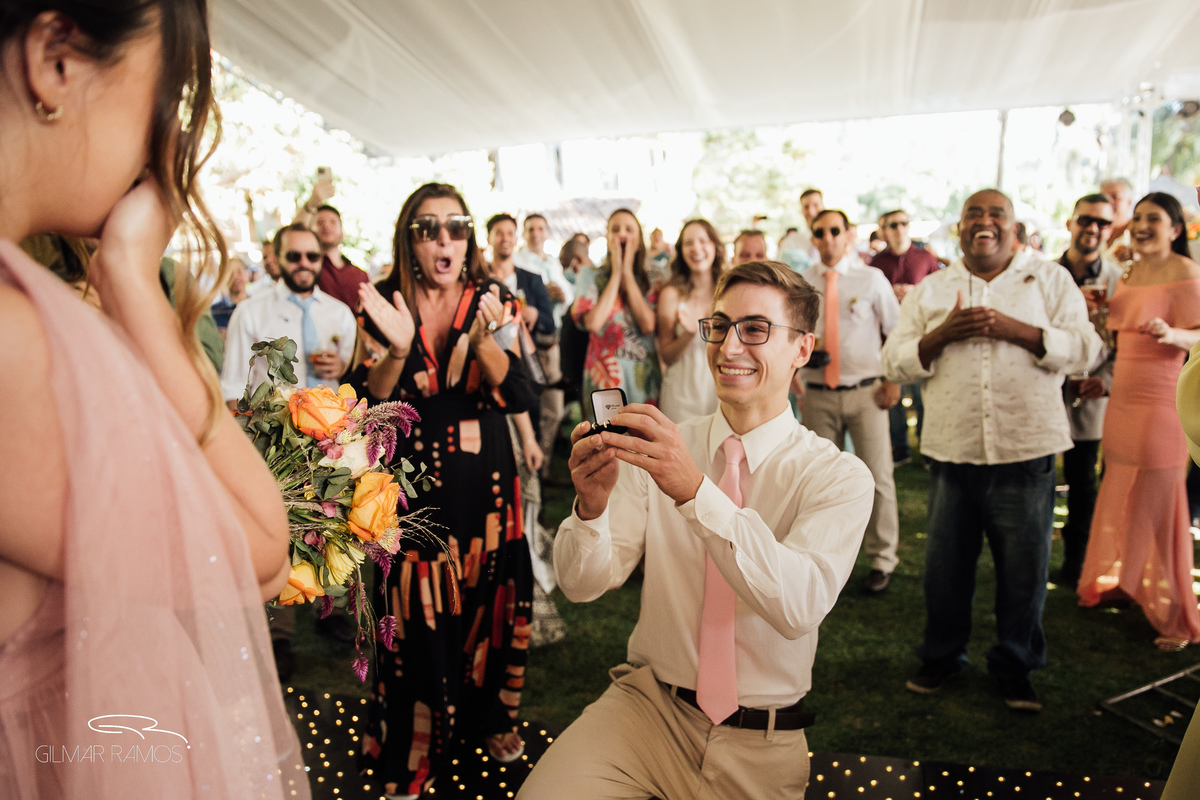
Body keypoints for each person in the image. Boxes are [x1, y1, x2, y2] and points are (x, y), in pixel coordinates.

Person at [0, 2, 307, 797]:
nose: (160, 138)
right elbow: (259, 553)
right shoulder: (11, 341)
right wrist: (132, 278)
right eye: (163, 91)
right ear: (56, 60)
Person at [518, 261, 873, 800]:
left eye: (755, 329)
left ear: (803, 349)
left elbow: (799, 605)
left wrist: (694, 491)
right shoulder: (662, 448)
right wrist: (589, 509)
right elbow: (582, 584)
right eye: (720, 325)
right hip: (647, 712)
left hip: (763, 740)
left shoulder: (838, 474)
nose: (729, 347)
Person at [882, 189, 1101, 712]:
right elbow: (893, 362)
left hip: (1026, 452)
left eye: (996, 214)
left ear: (1014, 226)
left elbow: (1089, 349)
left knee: (1024, 573)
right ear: (958, 229)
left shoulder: (1049, 280)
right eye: (974, 214)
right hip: (952, 452)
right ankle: (941, 658)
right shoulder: (934, 289)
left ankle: (1015, 666)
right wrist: (942, 335)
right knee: (945, 570)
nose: (985, 222)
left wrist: (1020, 332)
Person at [352, 183, 536, 799]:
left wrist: (485, 341)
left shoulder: (495, 301)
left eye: (455, 227)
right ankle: (414, 745)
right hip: (408, 486)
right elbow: (361, 403)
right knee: (413, 611)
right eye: (428, 228)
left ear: (469, 239)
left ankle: (491, 719)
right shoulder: (382, 301)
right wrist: (398, 350)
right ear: (410, 238)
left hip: (485, 487)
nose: (443, 239)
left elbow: (521, 396)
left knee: (488, 599)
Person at [1077, 192, 1200, 651]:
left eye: (1154, 218)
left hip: (1162, 400)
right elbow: (1117, 332)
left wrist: (1175, 334)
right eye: (1138, 218)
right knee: (1121, 488)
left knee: (1161, 502)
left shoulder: (1187, 273)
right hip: (1122, 400)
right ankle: (1124, 582)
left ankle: (1176, 615)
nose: (1142, 225)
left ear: (1175, 228)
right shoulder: (1126, 271)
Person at [799, 210, 902, 594]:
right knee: (817, 480)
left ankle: (882, 558)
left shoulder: (871, 278)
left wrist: (894, 381)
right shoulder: (803, 283)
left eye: (834, 231)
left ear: (849, 235)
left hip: (866, 393)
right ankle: (821, 558)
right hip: (818, 394)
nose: (827, 238)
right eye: (820, 232)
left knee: (878, 477)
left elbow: (897, 332)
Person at [1054, 194, 1123, 589]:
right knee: (1041, 482)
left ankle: (1076, 565)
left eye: (1102, 223)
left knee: (1083, 484)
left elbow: (1126, 343)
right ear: (1070, 223)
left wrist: (1107, 380)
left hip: (1093, 395)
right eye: (1086, 220)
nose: (1093, 229)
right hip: (1047, 392)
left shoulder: (1119, 280)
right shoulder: (1046, 275)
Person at [572, 208, 661, 413]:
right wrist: (616, 274)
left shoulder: (652, 278)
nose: (622, 234)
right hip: (604, 377)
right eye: (615, 229)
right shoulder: (590, 275)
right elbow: (593, 323)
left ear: (638, 241)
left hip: (642, 375)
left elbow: (648, 325)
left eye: (629, 229)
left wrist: (627, 274)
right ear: (607, 238)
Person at [871, 208, 940, 465]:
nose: (899, 229)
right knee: (893, 395)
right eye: (893, 225)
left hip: (921, 336)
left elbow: (939, 292)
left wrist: (916, 292)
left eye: (903, 223)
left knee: (923, 395)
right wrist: (890, 292)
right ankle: (899, 447)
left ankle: (927, 447)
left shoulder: (925, 258)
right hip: (889, 338)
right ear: (884, 230)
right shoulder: (876, 264)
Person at [657, 219, 725, 424]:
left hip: (720, 397)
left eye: (703, 241)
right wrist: (688, 334)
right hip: (681, 398)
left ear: (715, 246)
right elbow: (666, 356)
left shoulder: (729, 292)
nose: (696, 248)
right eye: (689, 243)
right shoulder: (671, 295)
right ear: (681, 250)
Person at [313, 204, 369, 311]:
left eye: (332, 222)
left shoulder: (360, 276)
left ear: (342, 231)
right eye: (320, 222)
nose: (326, 226)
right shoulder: (310, 270)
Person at [1100, 177, 1134, 261]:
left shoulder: (1138, 235)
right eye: (1103, 198)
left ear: (1129, 202)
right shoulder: (1093, 231)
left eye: (1115, 197)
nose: (1109, 202)